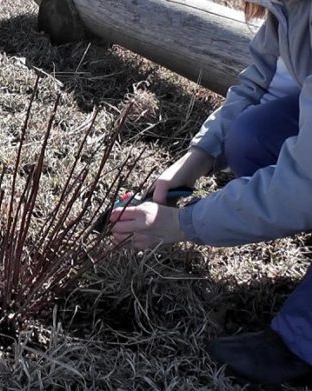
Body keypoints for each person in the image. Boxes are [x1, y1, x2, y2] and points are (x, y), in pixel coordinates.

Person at [110, 0, 312, 387]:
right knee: (251, 136)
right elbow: (262, 86)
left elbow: (307, 182)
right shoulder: (292, 9)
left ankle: (302, 341)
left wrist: (185, 224)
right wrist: (193, 163)